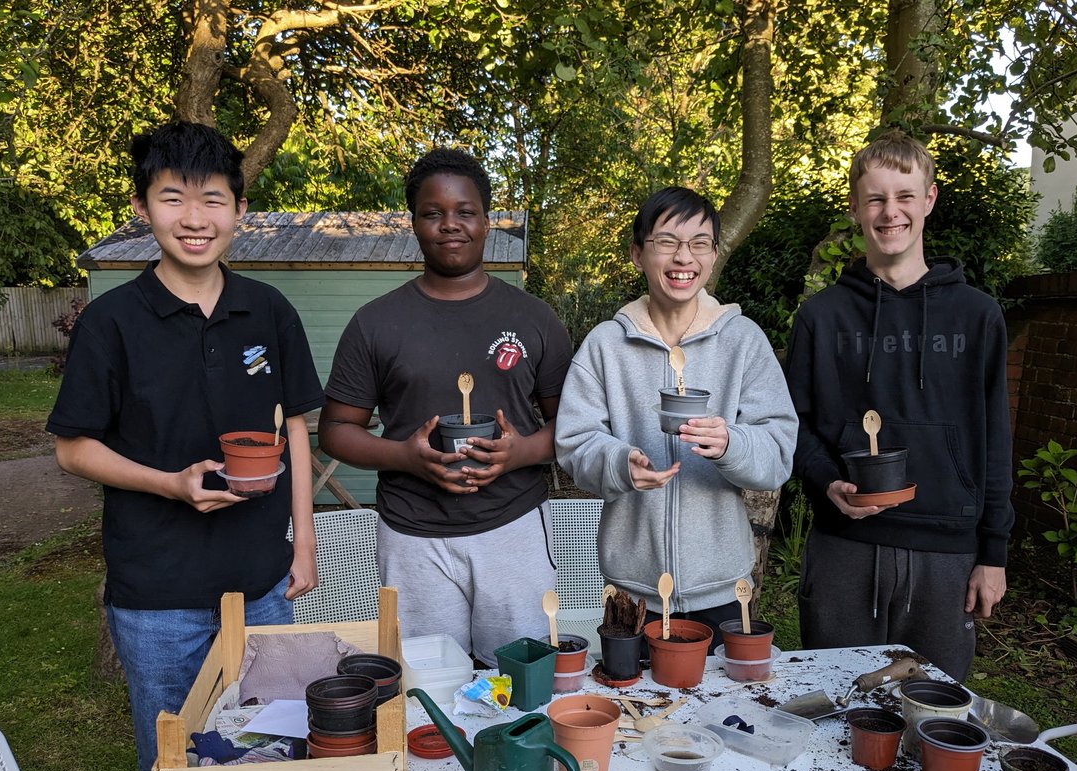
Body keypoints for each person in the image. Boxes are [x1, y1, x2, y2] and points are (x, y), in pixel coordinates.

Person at [46, 122, 323, 771]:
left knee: (272, 757)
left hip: (262, 583)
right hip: (157, 596)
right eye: (173, 198)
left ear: (238, 208)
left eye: (212, 198)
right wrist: (170, 483)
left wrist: (303, 545)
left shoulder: (268, 312)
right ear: (143, 208)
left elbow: (295, 425)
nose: (194, 217)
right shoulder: (112, 322)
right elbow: (73, 447)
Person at [319, 148, 573, 667]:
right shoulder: (376, 323)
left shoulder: (533, 318)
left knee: (520, 685)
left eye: (465, 212)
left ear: (487, 221)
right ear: (413, 223)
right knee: (428, 693)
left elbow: (574, 426)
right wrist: (407, 457)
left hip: (513, 529)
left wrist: (520, 452)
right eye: (433, 213)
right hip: (413, 536)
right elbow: (336, 430)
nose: (450, 225)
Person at [784, 130, 1014, 681]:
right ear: (856, 208)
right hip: (845, 547)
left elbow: (995, 438)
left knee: (930, 722)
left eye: (905, 196)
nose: (891, 213)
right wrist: (824, 480)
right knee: (836, 713)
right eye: (877, 198)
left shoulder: (977, 316)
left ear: (929, 200)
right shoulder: (822, 317)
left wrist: (994, 552)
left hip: (946, 554)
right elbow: (789, 424)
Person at [555, 186, 797, 643]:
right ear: (637, 254)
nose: (683, 257)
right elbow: (574, 442)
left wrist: (732, 444)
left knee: (728, 711)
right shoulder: (606, 345)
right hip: (631, 591)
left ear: (711, 254)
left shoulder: (743, 341)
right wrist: (618, 462)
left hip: (725, 588)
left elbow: (779, 449)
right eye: (666, 241)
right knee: (639, 706)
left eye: (698, 243)